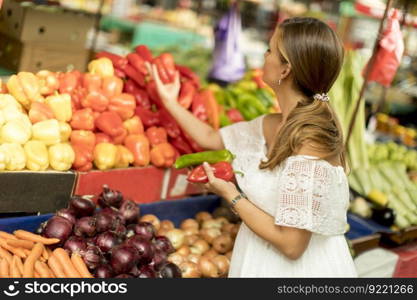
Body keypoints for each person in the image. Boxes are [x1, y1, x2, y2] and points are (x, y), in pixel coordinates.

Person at [147, 17, 357, 277]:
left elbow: (292, 245)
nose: (264, 56)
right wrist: (170, 101)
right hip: (258, 260)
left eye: (270, 50)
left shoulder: (312, 140)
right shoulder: (270, 123)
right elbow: (212, 138)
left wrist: (230, 194)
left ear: (285, 69)